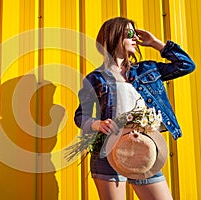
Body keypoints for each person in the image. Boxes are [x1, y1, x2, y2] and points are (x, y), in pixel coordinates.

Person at [74, 17, 195, 199]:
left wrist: (155, 43)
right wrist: (97, 124)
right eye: (129, 33)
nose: (135, 39)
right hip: (108, 152)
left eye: (135, 34)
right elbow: (80, 116)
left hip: (143, 150)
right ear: (113, 37)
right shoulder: (95, 79)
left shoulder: (148, 69)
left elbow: (186, 65)